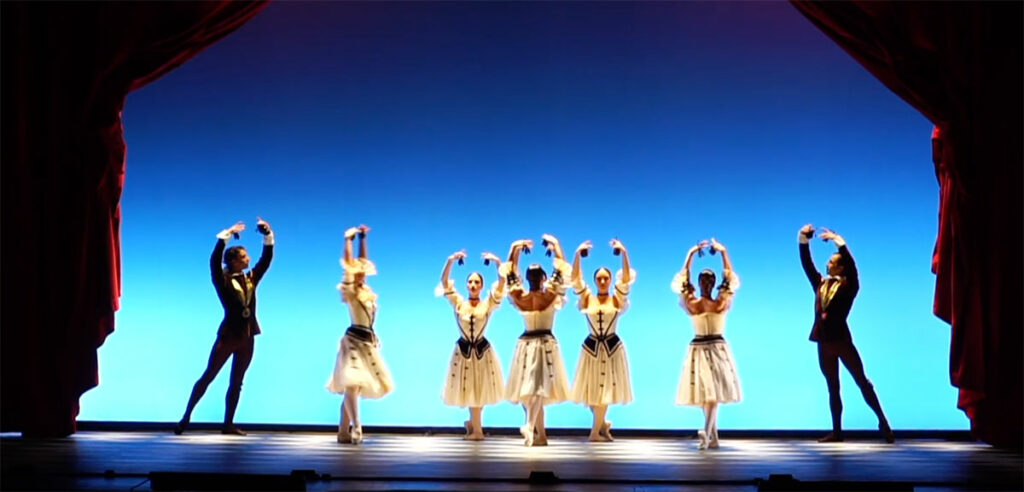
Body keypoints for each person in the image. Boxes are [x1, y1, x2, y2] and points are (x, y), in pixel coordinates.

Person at [174, 218, 274, 436]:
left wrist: (268, 236)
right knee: (209, 375)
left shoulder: (250, 278)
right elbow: (214, 260)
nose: (249, 259)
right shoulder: (223, 279)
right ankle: (186, 417)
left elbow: (265, 261)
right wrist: (225, 237)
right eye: (245, 256)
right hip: (229, 336)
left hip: (247, 336)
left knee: (237, 382)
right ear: (235, 261)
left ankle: (228, 424)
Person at [798, 224, 894, 443]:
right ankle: (837, 431)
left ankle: (883, 421)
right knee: (833, 387)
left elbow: (852, 266)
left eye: (832, 262)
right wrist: (803, 238)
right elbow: (807, 264)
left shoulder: (850, 285)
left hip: (841, 340)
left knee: (861, 380)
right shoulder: (821, 284)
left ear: (840, 268)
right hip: (823, 341)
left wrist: (839, 242)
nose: (827, 264)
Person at [326, 225, 394, 444]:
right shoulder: (351, 290)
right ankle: (357, 427)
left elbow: (362, 261)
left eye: (363, 272)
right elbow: (349, 264)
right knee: (352, 384)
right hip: (353, 342)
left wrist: (364, 238)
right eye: (358, 272)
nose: (362, 273)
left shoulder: (366, 292)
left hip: (368, 340)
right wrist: (348, 240)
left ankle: (343, 430)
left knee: (352, 387)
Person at [673, 238, 742, 450]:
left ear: (713, 283)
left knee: (713, 393)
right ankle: (713, 436)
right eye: (702, 279)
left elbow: (729, 280)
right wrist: (691, 254)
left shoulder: (722, 300)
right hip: (699, 348)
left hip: (717, 348)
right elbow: (682, 282)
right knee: (707, 393)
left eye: (709, 280)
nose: (705, 283)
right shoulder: (691, 301)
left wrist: (724, 253)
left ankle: (707, 432)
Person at [504, 234, 572, 446]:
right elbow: (510, 274)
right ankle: (538, 433)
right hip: (528, 345)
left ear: (543, 278)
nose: (533, 277)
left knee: (537, 389)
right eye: (530, 275)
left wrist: (557, 245)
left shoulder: (549, 295)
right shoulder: (523, 296)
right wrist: (515, 247)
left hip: (543, 345)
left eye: (536, 275)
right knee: (533, 390)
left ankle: (531, 426)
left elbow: (561, 272)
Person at [436, 249, 507, 440]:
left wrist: (498, 263)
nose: (473, 285)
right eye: (470, 282)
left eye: (477, 282)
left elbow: (501, 285)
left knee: (480, 388)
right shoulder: (459, 303)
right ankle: (475, 427)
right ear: (466, 285)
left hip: (482, 350)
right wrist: (450, 260)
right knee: (469, 388)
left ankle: (475, 427)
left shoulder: (487, 304)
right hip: (464, 350)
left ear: (482, 286)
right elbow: (444, 283)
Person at [569, 238, 635, 442]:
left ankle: (595, 432)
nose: (604, 281)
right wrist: (577, 255)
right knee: (591, 392)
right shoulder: (588, 298)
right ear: (595, 280)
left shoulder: (616, 298)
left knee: (604, 390)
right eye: (600, 278)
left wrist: (624, 253)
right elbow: (575, 280)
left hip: (612, 347)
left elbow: (625, 279)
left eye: (606, 278)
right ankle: (603, 424)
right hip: (591, 348)